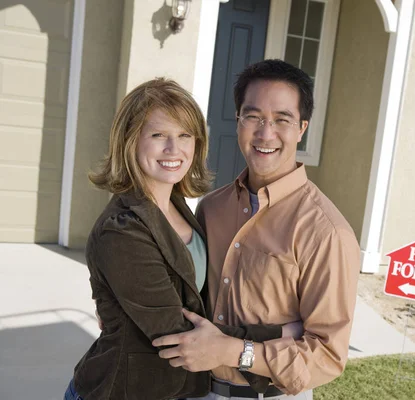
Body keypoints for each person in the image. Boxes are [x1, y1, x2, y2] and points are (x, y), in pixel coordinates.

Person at [64, 78, 291, 400]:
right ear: (131, 142)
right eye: (159, 135)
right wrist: (280, 334)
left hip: (174, 388)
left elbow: (199, 299)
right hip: (123, 389)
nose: (174, 149)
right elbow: (178, 335)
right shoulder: (122, 230)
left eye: (185, 135)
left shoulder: (179, 207)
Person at [153, 60, 361, 399]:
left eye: (282, 119)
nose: (266, 133)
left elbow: (326, 356)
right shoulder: (212, 208)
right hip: (195, 389)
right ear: (237, 122)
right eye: (253, 117)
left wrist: (234, 352)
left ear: (301, 128)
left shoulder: (327, 232)